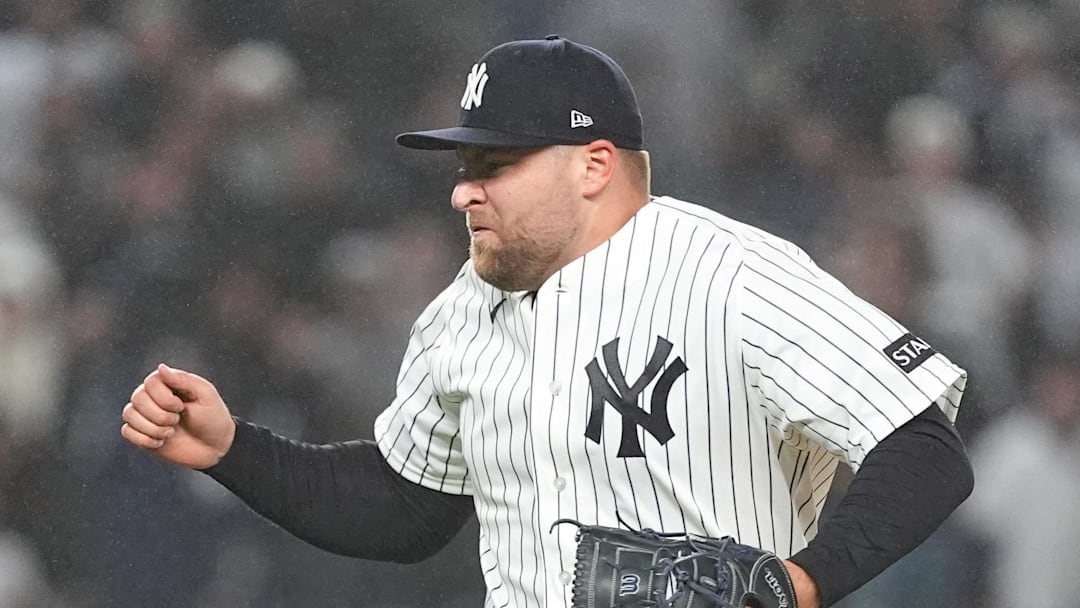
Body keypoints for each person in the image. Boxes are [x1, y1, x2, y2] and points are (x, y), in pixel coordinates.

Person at [120, 36, 974, 608]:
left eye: (496, 163)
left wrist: (803, 581)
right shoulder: (459, 315)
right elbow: (404, 508)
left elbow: (923, 448)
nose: (464, 189)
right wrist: (235, 451)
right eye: (464, 163)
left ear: (594, 165)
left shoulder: (731, 272)